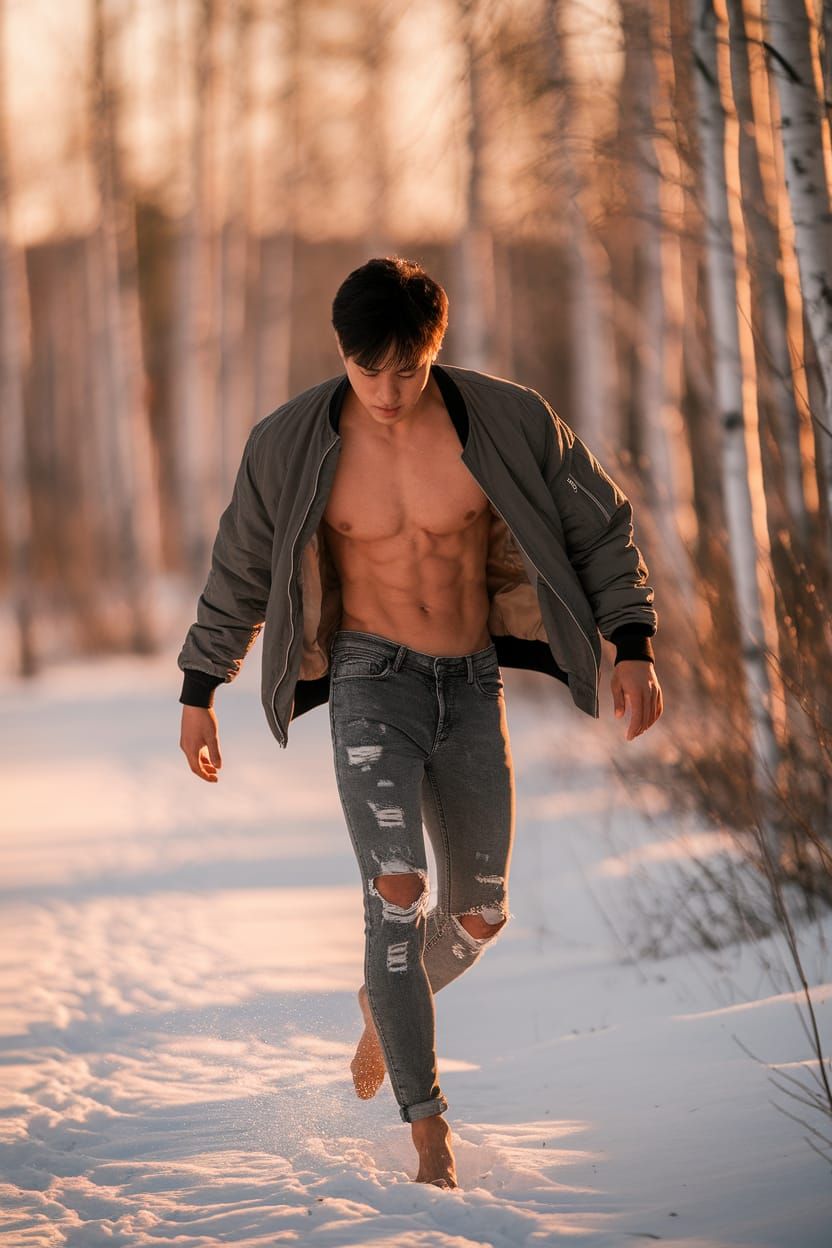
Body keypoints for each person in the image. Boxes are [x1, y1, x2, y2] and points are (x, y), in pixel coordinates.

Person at [177, 256, 662, 1189]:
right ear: (342, 355)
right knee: (397, 893)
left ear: (434, 350)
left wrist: (629, 642)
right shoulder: (289, 442)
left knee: (479, 912)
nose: (389, 392)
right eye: (369, 372)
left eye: (408, 370)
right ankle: (427, 1126)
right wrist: (202, 686)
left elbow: (601, 525)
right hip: (369, 682)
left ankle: (382, 999)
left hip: (472, 682)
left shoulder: (508, 420)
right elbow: (239, 566)